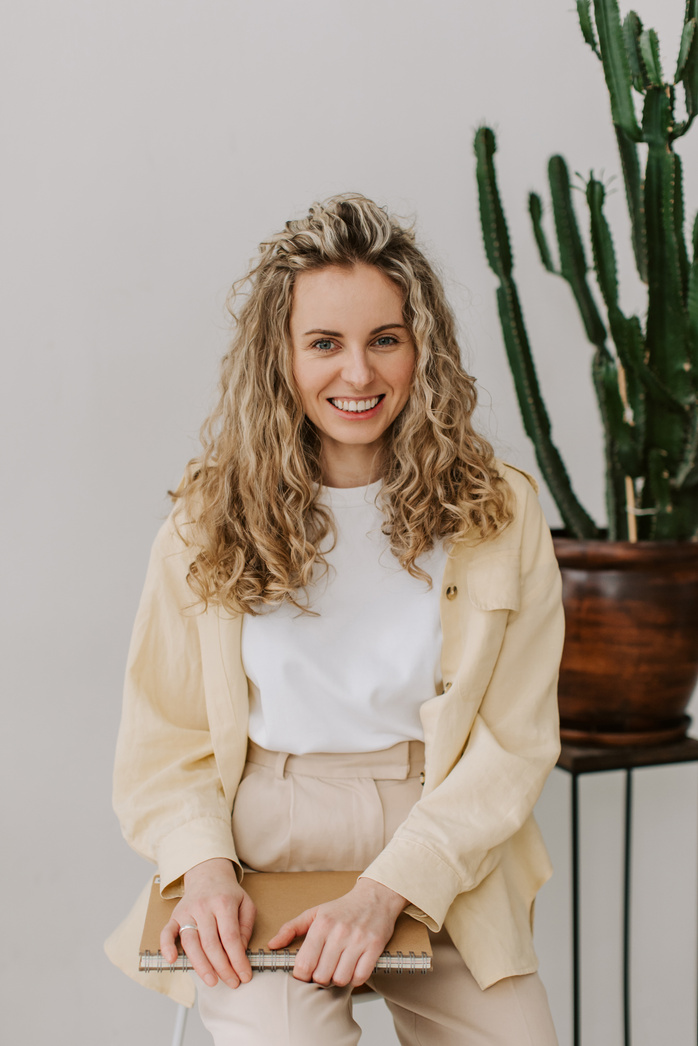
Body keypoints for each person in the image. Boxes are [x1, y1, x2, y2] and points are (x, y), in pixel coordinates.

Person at [107, 194, 564, 1045]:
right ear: (279, 357)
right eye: (324, 343)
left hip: (441, 851)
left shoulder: (501, 512)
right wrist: (204, 873)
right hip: (261, 853)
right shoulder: (206, 521)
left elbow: (514, 743)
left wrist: (388, 891)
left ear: (423, 349)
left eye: (385, 339)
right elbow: (163, 742)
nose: (358, 374)